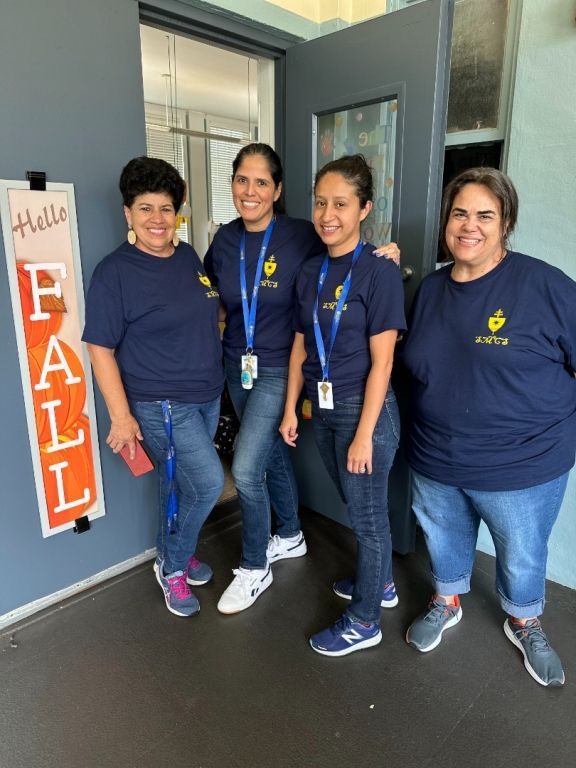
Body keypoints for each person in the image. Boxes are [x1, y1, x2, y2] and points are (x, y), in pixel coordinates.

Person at [205, 143, 399, 615]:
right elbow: (215, 302)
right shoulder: (226, 242)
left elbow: (350, 257)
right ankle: (291, 535)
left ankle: (255, 566)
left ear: (277, 190)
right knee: (269, 452)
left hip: (285, 372)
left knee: (247, 469)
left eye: (261, 182)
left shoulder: (300, 236)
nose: (250, 191)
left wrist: (384, 252)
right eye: (241, 180)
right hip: (243, 366)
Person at [401, 167, 576, 686]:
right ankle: (447, 598)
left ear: (505, 224)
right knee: (444, 538)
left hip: (522, 464)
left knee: (522, 553)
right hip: (436, 456)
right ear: (445, 222)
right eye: (460, 213)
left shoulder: (543, 285)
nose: (469, 226)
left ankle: (524, 620)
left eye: (485, 215)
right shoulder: (431, 288)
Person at [82, 156, 224, 618]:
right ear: (128, 213)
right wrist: (122, 416)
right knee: (207, 485)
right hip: (162, 404)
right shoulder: (115, 273)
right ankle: (174, 567)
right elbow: (99, 348)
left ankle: (171, 551)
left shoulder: (186, 256)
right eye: (145, 208)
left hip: (207, 395)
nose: (158, 220)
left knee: (177, 484)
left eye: (166, 208)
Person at [279, 154, 406, 656]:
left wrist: (364, 435)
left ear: (364, 209)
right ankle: (384, 584)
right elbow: (299, 345)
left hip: (364, 412)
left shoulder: (379, 272)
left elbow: (383, 364)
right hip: (323, 407)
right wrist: (291, 408)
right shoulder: (311, 270)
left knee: (370, 520)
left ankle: (365, 620)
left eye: (341, 204)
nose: (328, 214)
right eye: (320, 203)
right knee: (360, 507)